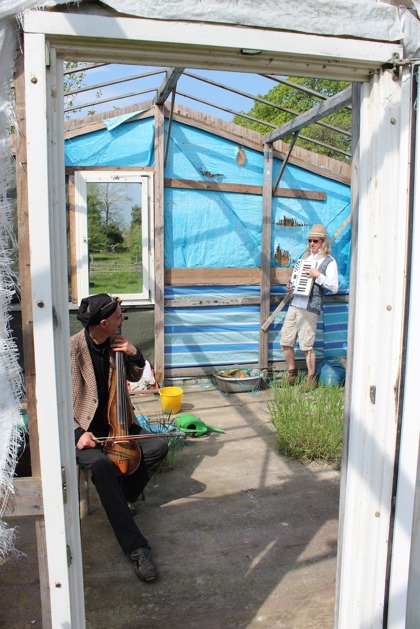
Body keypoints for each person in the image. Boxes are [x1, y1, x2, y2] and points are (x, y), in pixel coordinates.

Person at [70, 293, 168, 582]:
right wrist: (76, 433)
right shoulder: (72, 349)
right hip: (84, 430)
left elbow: (136, 376)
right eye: (117, 317)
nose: (121, 319)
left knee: (157, 446)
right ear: (103, 323)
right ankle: (137, 548)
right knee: (101, 466)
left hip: (119, 425)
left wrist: (135, 353)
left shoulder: (116, 342)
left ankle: (120, 500)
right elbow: (54, 399)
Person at [280, 224, 339, 389]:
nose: (312, 243)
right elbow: (295, 281)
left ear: (323, 242)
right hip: (295, 304)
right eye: (310, 240)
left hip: (310, 307)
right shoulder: (305, 260)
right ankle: (292, 374)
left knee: (306, 345)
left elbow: (334, 287)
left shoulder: (329, 261)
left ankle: (311, 379)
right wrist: (290, 288)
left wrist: (318, 275)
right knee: (286, 341)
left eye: (315, 241)